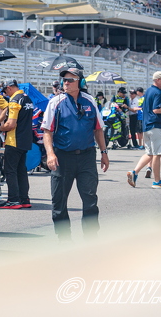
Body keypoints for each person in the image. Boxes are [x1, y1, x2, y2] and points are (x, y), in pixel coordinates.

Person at [41, 68, 108, 240]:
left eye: (70, 80)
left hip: (87, 157)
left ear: (81, 82)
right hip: (62, 157)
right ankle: (64, 239)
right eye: (64, 80)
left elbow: (98, 129)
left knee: (90, 199)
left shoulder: (90, 101)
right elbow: (47, 131)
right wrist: (50, 154)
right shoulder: (55, 102)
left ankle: (91, 237)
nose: (66, 83)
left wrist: (104, 152)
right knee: (59, 200)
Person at [126, 71, 161, 189]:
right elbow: (156, 110)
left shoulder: (148, 91)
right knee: (157, 154)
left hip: (147, 126)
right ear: (157, 80)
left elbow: (146, 108)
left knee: (150, 153)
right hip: (156, 126)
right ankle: (157, 181)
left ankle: (134, 172)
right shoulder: (158, 92)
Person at [0, 79, 34, 209]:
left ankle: (13, 200)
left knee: (10, 170)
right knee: (21, 170)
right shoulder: (27, 98)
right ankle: (24, 199)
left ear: (9, 88)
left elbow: (11, 124)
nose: (5, 94)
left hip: (14, 140)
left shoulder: (14, 100)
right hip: (25, 139)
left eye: (5, 91)